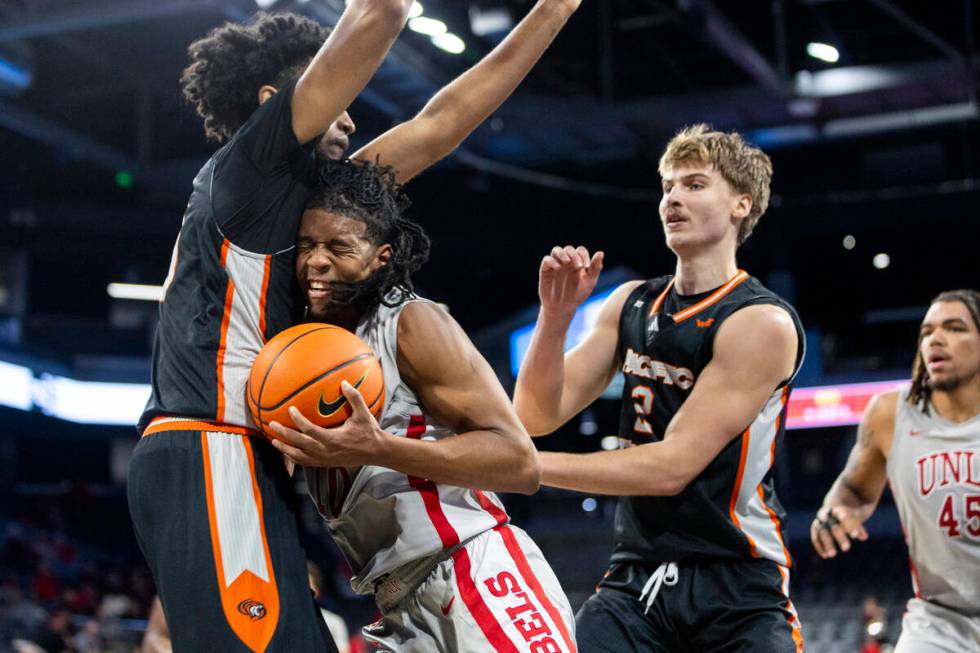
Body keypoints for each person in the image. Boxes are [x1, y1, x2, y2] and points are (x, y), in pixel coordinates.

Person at [127, 0, 583, 647]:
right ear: (273, 101)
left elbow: (441, 122)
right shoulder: (249, 169)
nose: (349, 114)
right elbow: (384, 11)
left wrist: (552, 12)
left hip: (239, 454)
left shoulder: (309, 208)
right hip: (211, 442)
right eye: (332, 93)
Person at [512, 124, 806, 652]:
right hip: (636, 577)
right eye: (667, 186)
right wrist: (554, 318)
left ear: (742, 204)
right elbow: (534, 416)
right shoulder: (629, 303)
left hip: (736, 580)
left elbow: (671, 468)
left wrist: (530, 468)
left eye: (694, 184)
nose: (672, 197)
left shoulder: (759, 321)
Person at [268, 160, 577, 653]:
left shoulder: (412, 322)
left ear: (381, 257)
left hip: (472, 569)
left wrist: (378, 446)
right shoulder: (303, 349)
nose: (316, 262)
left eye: (338, 247)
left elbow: (520, 464)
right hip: (396, 604)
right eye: (307, 246)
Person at [811, 289, 980, 652]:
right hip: (939, 622)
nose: (936, 338)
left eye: (955, 328)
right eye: (927, 331)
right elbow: (855, 490)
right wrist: (837, 511)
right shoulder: (891, 414)